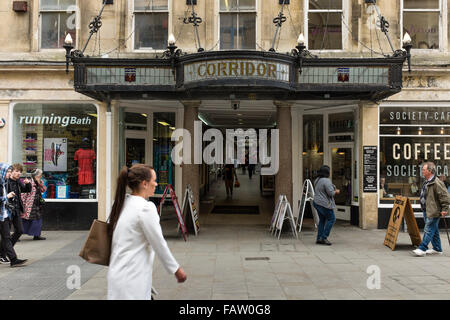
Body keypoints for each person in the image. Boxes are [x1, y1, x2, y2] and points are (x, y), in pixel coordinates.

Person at [107, 164, 186, 300]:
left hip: (117, 275)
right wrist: (176, 270)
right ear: (144, 184)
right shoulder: (145, 208)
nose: (156, 184)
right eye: (154, 180)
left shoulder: (121, 203)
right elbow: (158, 243)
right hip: (132, 278)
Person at [412, 162, 450, 256]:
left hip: (434, 210)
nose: (422, 171)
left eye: (424, 170)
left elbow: (445, 197)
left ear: (430, 171)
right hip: (427, 209)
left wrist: (445, 209)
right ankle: (437, 248)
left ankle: (422, 248)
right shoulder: (427, 181)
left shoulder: (437, 182)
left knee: (428, 229)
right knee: (434, 229)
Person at [0, 163, 27, 267]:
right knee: (6, 237)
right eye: (8, 171)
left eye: (10, 171)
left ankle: (12, 259)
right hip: (3, 214)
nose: (9, 173)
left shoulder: (3, 182)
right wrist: (7, 197)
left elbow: (25, 189)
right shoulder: (4, 183)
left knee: (6, 237)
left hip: (5, 213)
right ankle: (11, 258)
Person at [3, 164, 31, 252]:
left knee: (20, 230)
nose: (18, 173)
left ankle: (4, 251)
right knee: (5, 235)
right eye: (16, 171)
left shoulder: (18, 181)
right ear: (11, 172)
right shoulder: (6, 182)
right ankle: (6, 253)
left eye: (20, 171)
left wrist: (28, 184)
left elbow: (26, 190)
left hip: (17, 210)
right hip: (8, 210)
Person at [312, 165, 340, 245]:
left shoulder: (317, 180)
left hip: (317, 202)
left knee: (322, 220)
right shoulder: (326, 180)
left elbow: (323, 190)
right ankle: (324, 237)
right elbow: (331, 193)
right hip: (324, 204)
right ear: (327, 172)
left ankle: (319, 238)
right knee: (332, 219)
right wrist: (336, 191)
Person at [20, 169, 46, 240]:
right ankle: (17, 234)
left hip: (37, 204)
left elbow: (43, 190)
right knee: (25, 220)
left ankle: (36, 235)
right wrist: (23, 203)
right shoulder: (29, 182)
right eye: (40, 175)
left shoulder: (38, 182)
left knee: (38, 219)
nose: (41, 176)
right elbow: (24, 194)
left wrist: (40, 184)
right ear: (36, 175)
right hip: (29, 204)